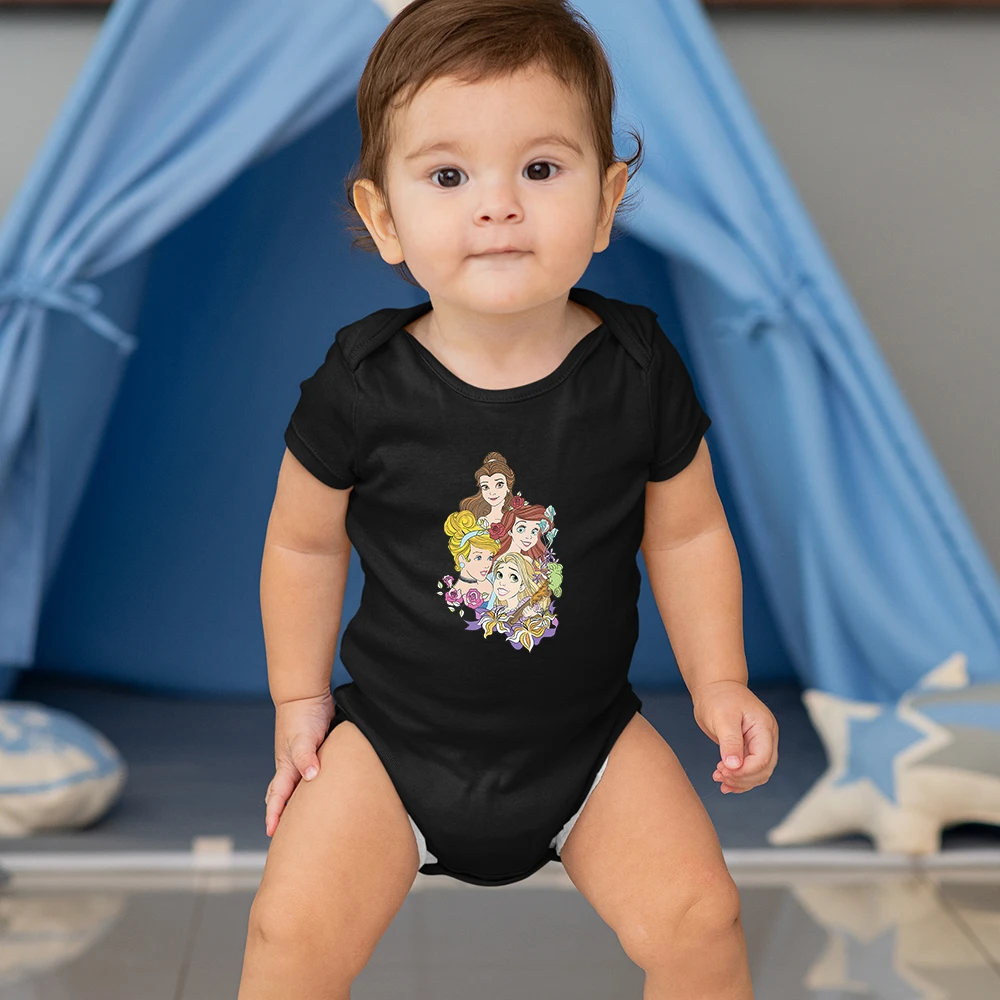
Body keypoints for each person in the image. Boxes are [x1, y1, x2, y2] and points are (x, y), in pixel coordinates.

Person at [237, 1, 778, 997]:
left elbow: (689, 533)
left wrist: (720, 681)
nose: (498, 206)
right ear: (383, 218)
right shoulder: (360, 383)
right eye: (449, 176)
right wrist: (300, 700)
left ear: (607, 202)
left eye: (540, 169)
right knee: (289, 931)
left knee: (702, 919)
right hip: (392, 744)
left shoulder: (637, 367)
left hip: (588, 742)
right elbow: (304, 545)